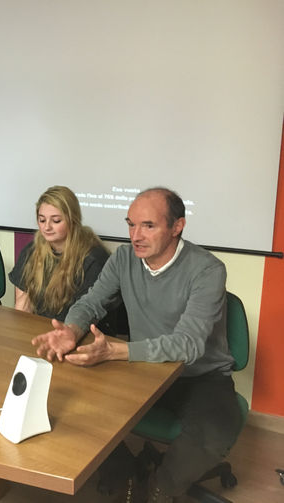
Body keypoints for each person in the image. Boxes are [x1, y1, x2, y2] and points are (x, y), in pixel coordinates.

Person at [32, 187, 242, 502]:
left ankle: (159, 489)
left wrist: (119, 351)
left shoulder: (207, 269)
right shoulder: (124, 258)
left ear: (177, 226)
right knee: (72, 404)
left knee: (214, 432)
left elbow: (189, 345)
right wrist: (72, 331)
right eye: (131, 224)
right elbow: (90, 302)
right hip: (144, 369)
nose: (136, 236)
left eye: (148, 226)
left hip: (200, 376)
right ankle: (124, 476)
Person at [9, 185, 109, 321]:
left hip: (75, 328)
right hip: (37, 327)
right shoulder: (31, 250)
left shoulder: (93, 259)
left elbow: (85, 314)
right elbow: (22, 308)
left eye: (56, 220)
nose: (47, 227)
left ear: (73, 220)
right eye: (42, 220)